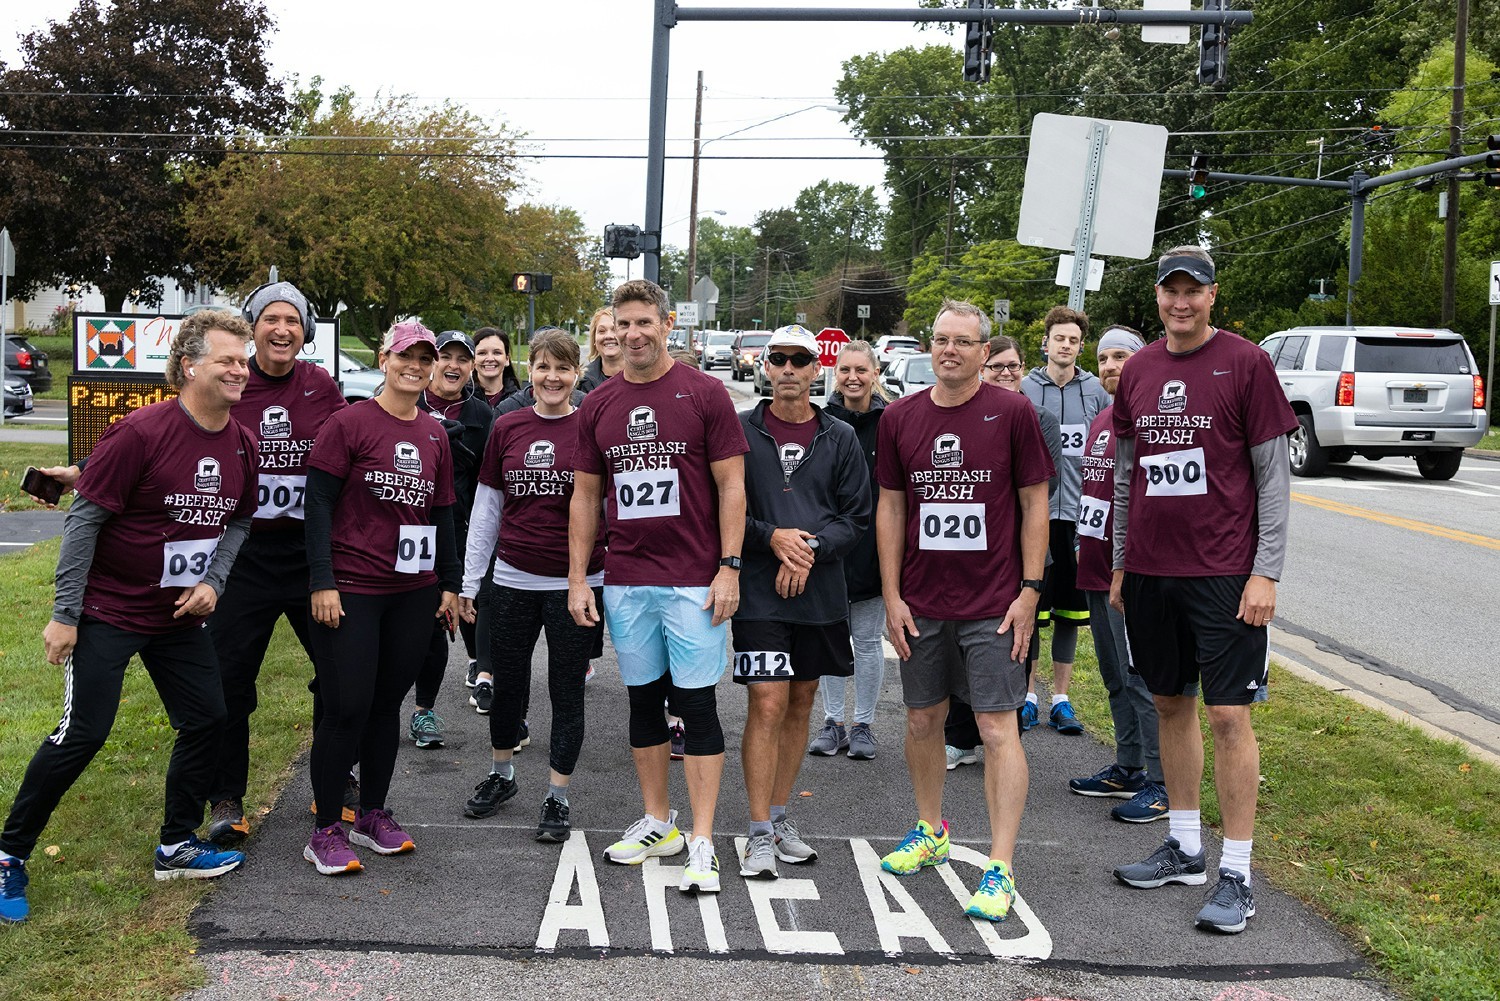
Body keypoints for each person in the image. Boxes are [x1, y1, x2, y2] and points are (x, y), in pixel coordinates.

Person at [0, 312, 260, 923]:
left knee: (208, 719)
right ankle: (9, 854)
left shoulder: (242, 442)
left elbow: (240, 520)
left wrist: (212, 580)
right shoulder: (140, 433)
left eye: (242, 361)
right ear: (189, 364)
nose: (238, 370)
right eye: (227, 359)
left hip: (177, 615)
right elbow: (84, 521)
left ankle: (175, 843)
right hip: (108, 611)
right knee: (83, 734)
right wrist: (65, 616)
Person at [1110, 247, 1296, 934]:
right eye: (1170, 291)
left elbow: (1273, 477)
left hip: (1225, 573)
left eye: (1193, 291)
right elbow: (1128, 472)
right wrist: (1123, 561)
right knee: (1168, 702)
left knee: (1228, 717)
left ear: (1213, 295)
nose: (1180, 302)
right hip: (1154, 571)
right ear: (1156, 298)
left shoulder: (1247, 363)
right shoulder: (1138, 370)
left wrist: (1266, 570)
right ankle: (1186, 845)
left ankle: (1237, 873)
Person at [568, 279, 748, 894]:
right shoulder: (599, 404)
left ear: (668, 324)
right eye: (624, 323)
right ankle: (656, 821)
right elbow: (586, 495)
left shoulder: (704, 393)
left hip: (694, 579)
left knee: (695, 706)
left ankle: (701, 838)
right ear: (612, 328)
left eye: (646, 322)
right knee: (642, 702)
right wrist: (578, 577)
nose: (634, 334)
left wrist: (730, 565)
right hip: (627, 580)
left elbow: (731, 485)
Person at [876, 300, 1053, 923]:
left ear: (984, 351)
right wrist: (892, 595)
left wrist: (1031, 591)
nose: (949, 350)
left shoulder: (1013, 413)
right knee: (922, 722)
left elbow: (1035, 504)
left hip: (994, 606)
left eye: (963, 341)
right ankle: (931, 830)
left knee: (997, 728)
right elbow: (892, 508)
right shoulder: (900, 418)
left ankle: (1000, 865)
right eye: (941, 340)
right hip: (923, 603)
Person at [302, 320, 461, 876]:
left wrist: (450, 584)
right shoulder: (348, 423)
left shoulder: (435, 432)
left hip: (412, 592)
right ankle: (325, 826)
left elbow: (442, 514)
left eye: (425, 358)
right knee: (346, 706)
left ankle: (371, 813)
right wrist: (322, 580)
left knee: (385, 706)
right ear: (384, 359)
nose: (415, 367)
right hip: (352, 589)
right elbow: (317, 504)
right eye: (406, 357)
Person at [204, 283, 349, 847]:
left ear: (305, 330)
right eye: (270, 319)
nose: (282, 329)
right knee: (230, 678)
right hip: (242, 555)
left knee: (338, 672)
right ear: (253, 327)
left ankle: (335, 779)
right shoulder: (234, 383)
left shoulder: (319, 385)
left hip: (310, 554)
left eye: (292, 319)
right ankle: (225, 796)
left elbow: (350, 453)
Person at [735, 325, 870, 879]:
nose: (789, 369)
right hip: (759, 594)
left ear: (819, 369)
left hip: (819, 592)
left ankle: (783, 814)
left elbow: (856, 516)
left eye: (801, 360)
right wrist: (773, 538)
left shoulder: (839, 437)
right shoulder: (739, 431)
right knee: (766, 701)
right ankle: (758, 829)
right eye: (780, 359)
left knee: (800, 702)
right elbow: (721, 508)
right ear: (765, 366)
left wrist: (807, 549)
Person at [459, 330, 604, 841]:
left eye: (563, 368)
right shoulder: (508, 425)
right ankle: (502, 775)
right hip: (513, 578)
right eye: (543, 367)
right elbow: (486, 509)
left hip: (576, 584)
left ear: (576, 372)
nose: (552, 378)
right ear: (531, 368)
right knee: (507, 685)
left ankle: (557, 796)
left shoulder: (593, 425)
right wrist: (470, 582)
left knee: (566, 690)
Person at [1069, 325, 1174, 823]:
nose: (1111, 366)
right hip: (1092, 564)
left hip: (1128, 572)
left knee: (1140, 678)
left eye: (1120, 357)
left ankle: (1161, 780)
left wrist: (1128, 565)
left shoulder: (1151, 418)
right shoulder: (1103, 419)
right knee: (1113, 676)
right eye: (1103, 358)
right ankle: (1129, 765)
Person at [943, 335, 1063, 770]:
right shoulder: (965, 416)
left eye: (1014, 366)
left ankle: (1004, 737)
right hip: (967, 556)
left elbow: (1043, 489)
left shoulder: (1038, 417)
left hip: (1023, 557)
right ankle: (960, 739)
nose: (1006, 373)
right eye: (997, 366)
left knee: (1016, 645)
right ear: (981, 367)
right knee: (961, 648)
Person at [1021, 306, 1111, 734]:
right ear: (1046, 341)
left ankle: (1061, 699)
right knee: (1032, 608)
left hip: (1078, 516)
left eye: (1074, 340)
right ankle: (1028, 696)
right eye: (1059, 338)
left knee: (1070, 614)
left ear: (1080, 345)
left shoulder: (1095, 392)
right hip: (1034, 516)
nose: (1066, 346)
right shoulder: (1023, 388)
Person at [409, 330, 493, 745]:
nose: (453, 365)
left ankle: (424, 711)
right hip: (402, 531)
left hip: (455, 533)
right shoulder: (409, 402)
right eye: (445, 356)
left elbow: (489, 484)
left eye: (463, 359)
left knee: (439, 624)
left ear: (472, 367)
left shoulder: (481, 416)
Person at [809, 340, 887, 760]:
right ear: (833, 374)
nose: (853, 378)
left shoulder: (891, 420)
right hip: (830, 545)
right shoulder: (820, 421)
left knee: (868, 640)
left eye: (861, 370)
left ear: (875, 373)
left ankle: (863, 725)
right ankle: (833, 722)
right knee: (831, 638)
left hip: (873, 545)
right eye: (845, 370)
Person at [473, 326, 522, 408]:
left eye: (497, 353)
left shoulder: (521, 402)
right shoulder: (461, 399)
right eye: (482, 353)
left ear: (507, 359)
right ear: (473, 360)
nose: (490, 359)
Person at [578, 307, 623, 393]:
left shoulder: (645, 377)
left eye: (615, 330)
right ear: (594, 339)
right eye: (602, 331)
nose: (608, 336)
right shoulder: (582, 382)